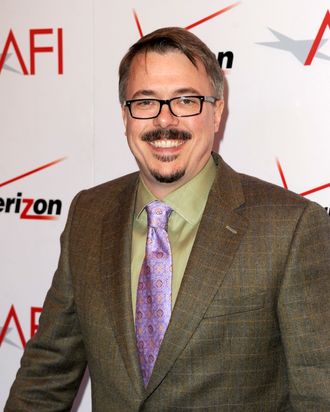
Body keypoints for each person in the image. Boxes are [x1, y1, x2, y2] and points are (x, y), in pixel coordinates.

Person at [5, 27, 330, 411]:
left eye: (185, 100)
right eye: (145, 102)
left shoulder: (290, 228)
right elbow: (45, 378)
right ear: (125, 116)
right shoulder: (87, 215)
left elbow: (319, 395)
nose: (165, 120)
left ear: (217, 112)